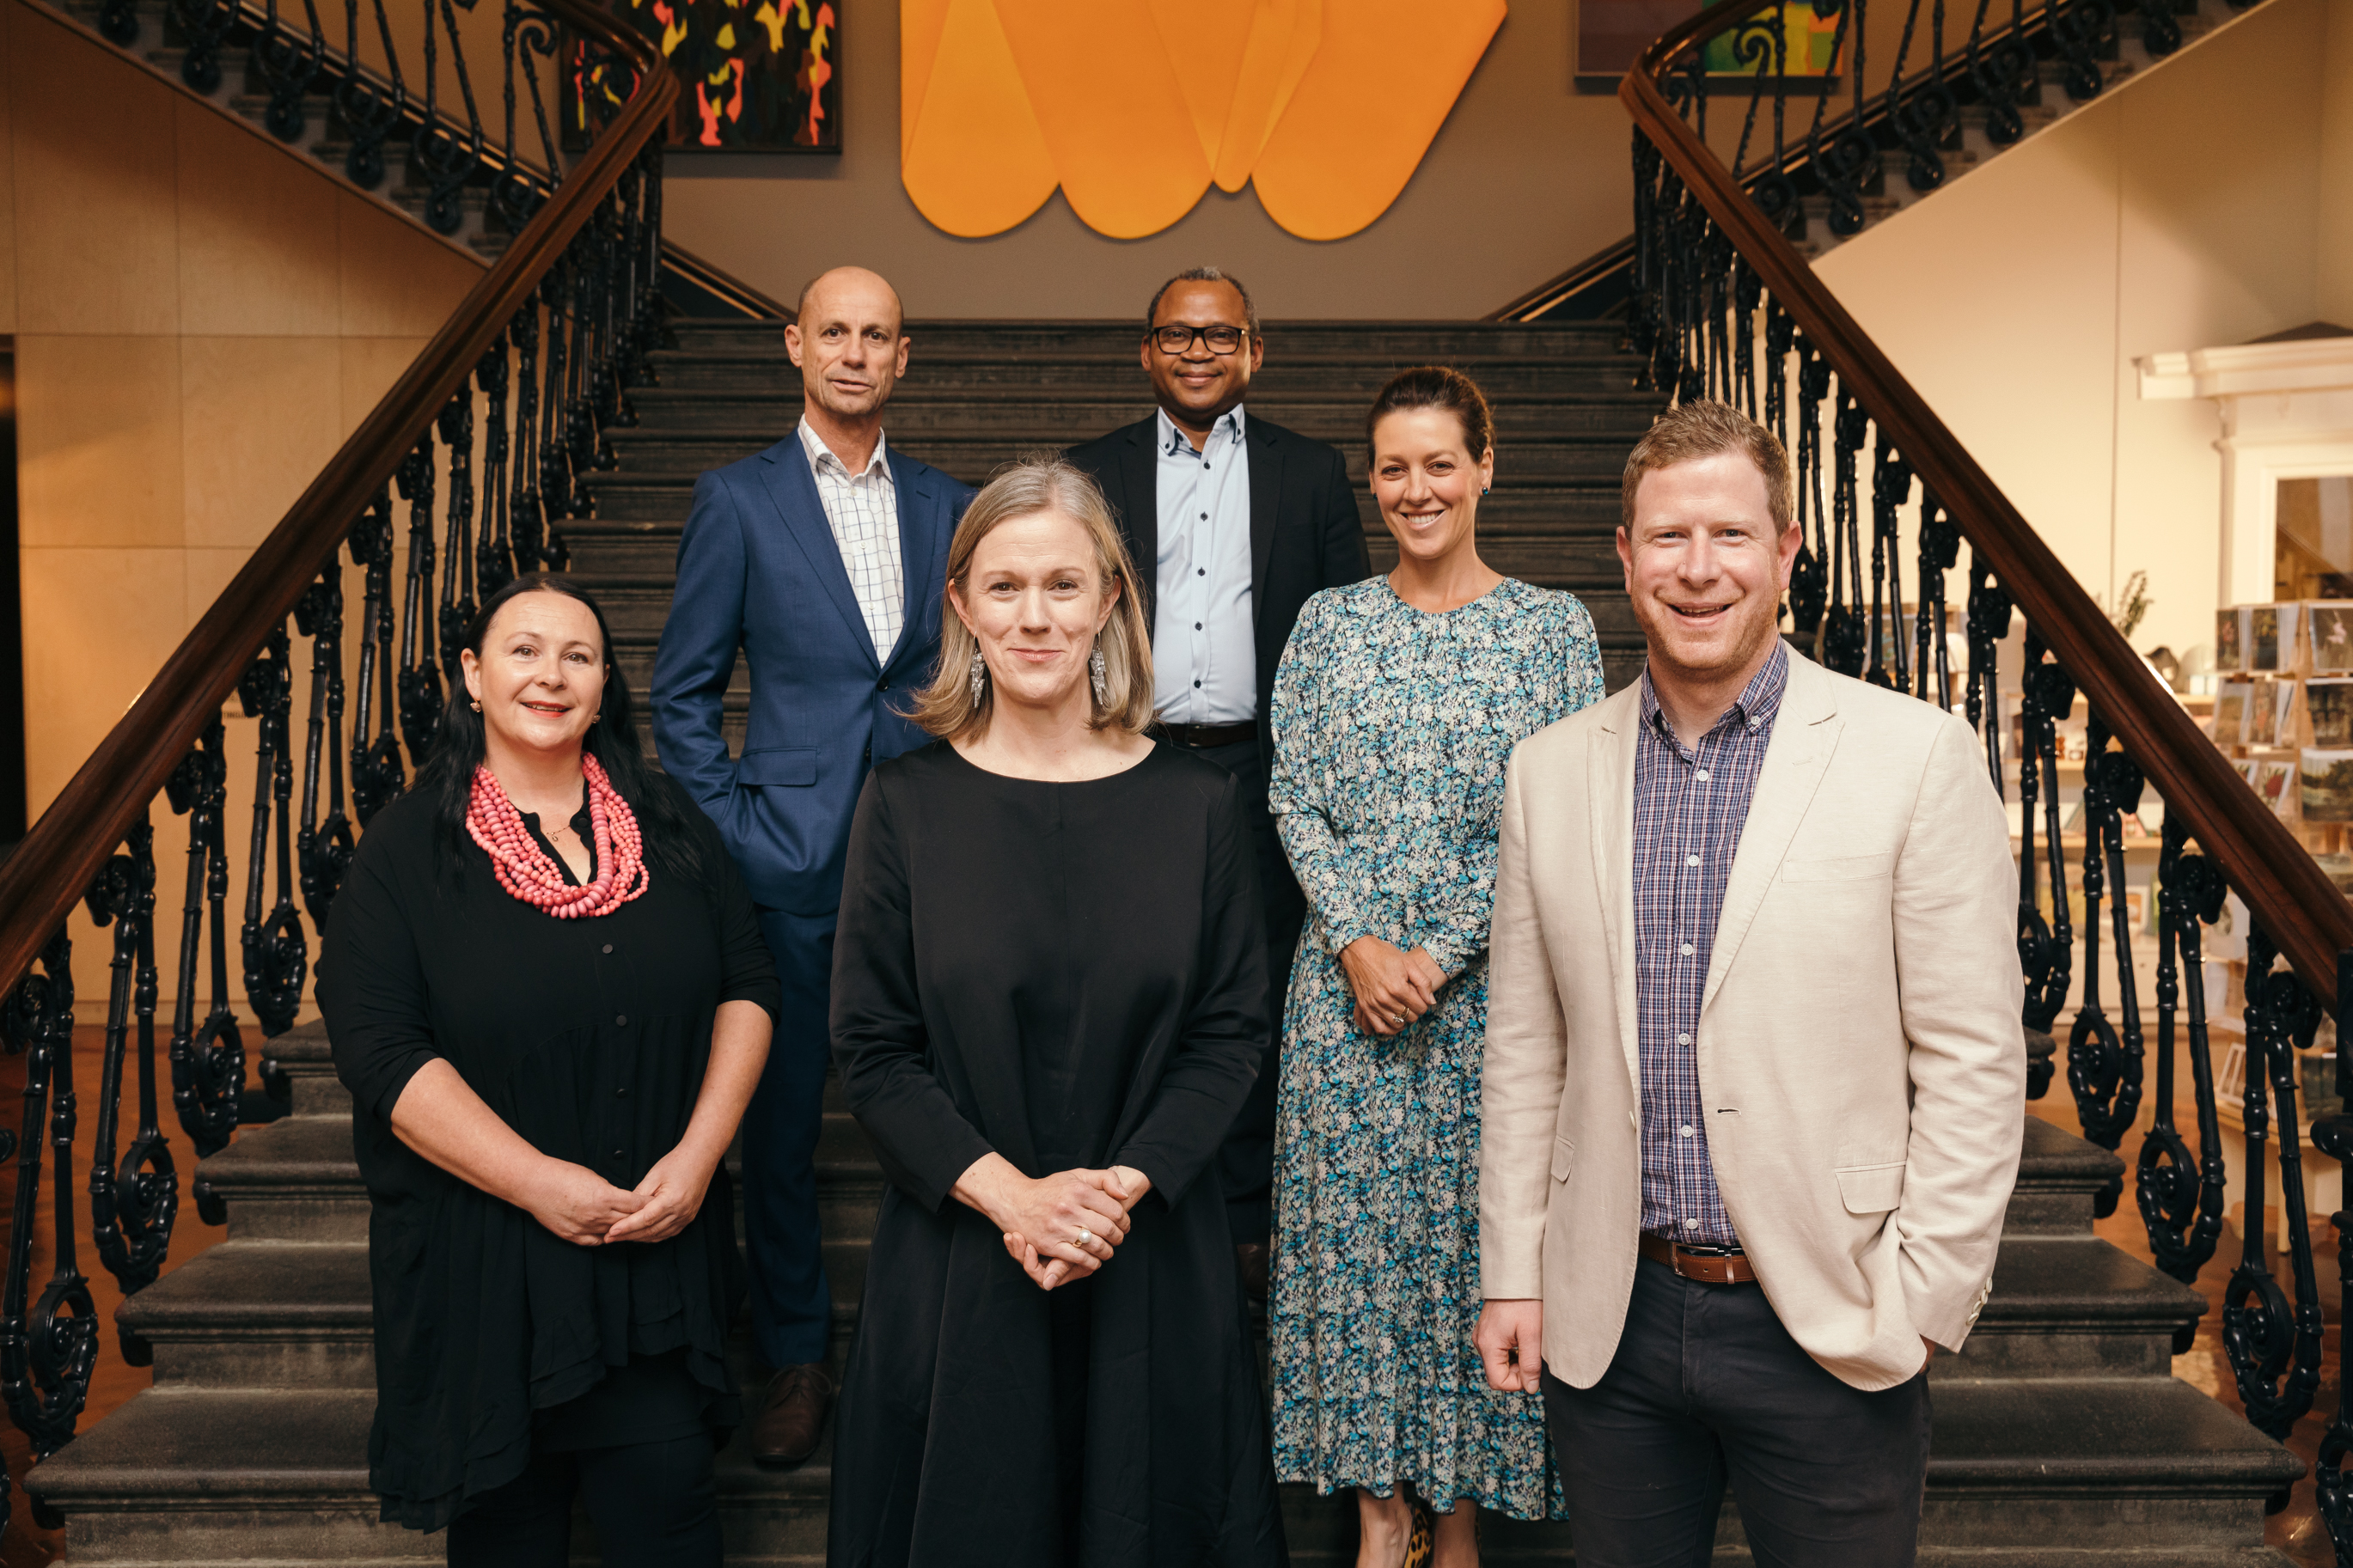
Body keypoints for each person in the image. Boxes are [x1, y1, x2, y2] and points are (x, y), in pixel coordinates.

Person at [1474, 400, 2026, 1566]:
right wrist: (1514, 1273)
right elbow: (1526, 1051)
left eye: (1730, 536)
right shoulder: (1547, 772)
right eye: (1667, 538)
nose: (1697, 569)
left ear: (1784, 552)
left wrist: (1923, 1294)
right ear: (1622, 556)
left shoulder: (1912, 756)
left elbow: (1972, 1055)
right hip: (1608, 1324)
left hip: (1827, 1317)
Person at [826, 457, 1284, 1567]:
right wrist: (1015, 1200)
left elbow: (1231, 1033)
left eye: (1063, 585)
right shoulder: (901, 803)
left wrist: (1111, 1194)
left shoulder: (1200, 806)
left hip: (1151, 1257)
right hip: (963, 1263)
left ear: (1112, 601)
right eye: (1004, 586)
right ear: (961, 608)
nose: (1034, 616)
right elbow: (872, 1048)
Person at [318, 575, 779, 1564]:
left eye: (578, 655)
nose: (551, 674)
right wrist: (538, 1185)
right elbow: (385, 1058)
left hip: (651, 1257)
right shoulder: (401, 853)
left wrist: (699, 1158)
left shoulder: (672, 828)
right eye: (524, 650)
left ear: (605, 685)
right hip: (488, 1276)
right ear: (473, 677)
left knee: (669, 1517)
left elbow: (748, 981)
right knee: (509, 1541)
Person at [1268, 368, 1604, 1567]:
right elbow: (1294, 795)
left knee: (1473, 1250)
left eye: (1438, 463)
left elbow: (1558, 812)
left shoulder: (1553, 628)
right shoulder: (1327, 623)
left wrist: (1436, 950)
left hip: (1492, 1006)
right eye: (1393, 468)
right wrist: (1359, 941)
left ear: (1484, 468)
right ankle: (1374, 1519)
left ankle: (1454, 1524)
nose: (1415, 489)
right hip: (1340, 1003)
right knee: (1351, 1260)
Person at [651, 265, 976, 1467]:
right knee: (776, 1130)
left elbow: (980, 671)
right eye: (831, 330)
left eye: (875, 333)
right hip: (786, 865)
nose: (852, 350)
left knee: (946, 1111)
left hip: (934, 861)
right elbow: (680, 698)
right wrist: (743, 827)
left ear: (902, 354)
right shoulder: (735, 502)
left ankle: (943, 1348)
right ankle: (796, 1356)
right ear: (795, 345)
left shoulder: (953, 503)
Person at [1065, 265, 1369, 1296]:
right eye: (1177, 336)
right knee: (1135, 979)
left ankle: (1247, 1226)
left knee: (1256, 988)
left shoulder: (1312, 472)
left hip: (1261, 771)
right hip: (1127, 766)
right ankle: (1127, 1191)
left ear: (1253, 350)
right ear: (1146, 350)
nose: (1198, 352)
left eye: (1219, 335)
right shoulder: (1088, 470)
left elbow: (1341, 641)